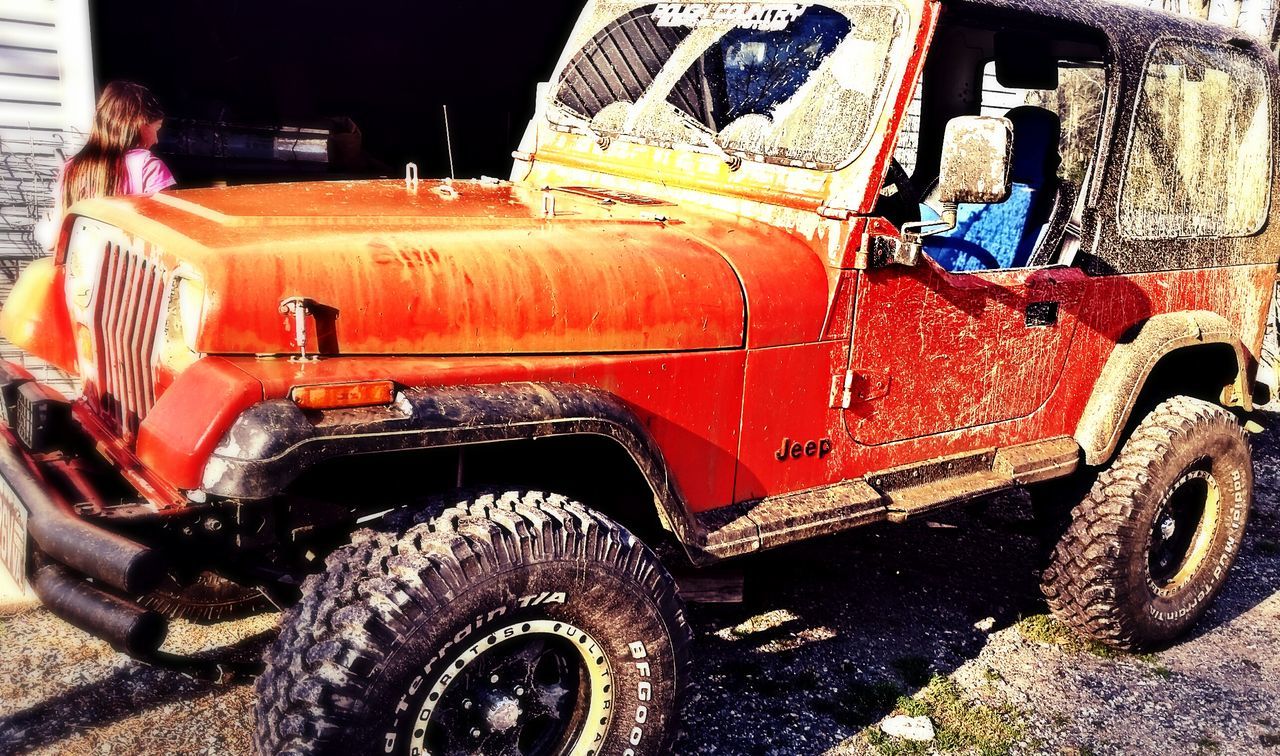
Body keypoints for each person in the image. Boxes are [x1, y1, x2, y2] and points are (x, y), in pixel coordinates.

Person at [38, 81, 176, 250]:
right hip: (128, 272)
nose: (156, 140)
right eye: (157, 128)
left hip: (79, 269)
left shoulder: (71, 166)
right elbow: (167, 238)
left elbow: (53, 239)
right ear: (140, 123)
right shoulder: (148, 167)